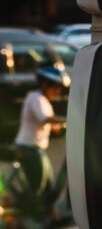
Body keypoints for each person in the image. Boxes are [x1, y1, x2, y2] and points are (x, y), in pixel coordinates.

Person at [14, 66, 69, 199]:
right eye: (56, 87)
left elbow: (50, 124)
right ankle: (29, 213)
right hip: (29, 148)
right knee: (38, 186)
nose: (58, 91)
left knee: (48, 184)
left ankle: (46, 213)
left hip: (36, 148)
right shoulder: (35, 97)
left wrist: (62, 127)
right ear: (45, 84)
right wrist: (70, 118)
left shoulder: (43, 101)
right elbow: (45, 118)